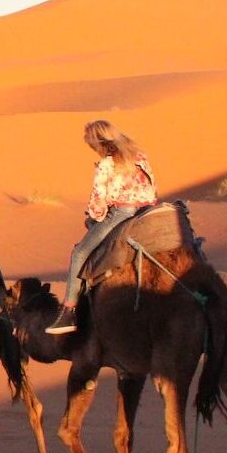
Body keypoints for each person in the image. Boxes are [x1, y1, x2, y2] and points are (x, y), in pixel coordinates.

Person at [47, 120, 158, 334]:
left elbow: (98, 203)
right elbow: (152, 187)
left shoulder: (107, 164)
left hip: (121, 214)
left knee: (79, 252)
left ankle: (68, 311)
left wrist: (93, 217)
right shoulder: (140, 157)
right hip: (147, 212)